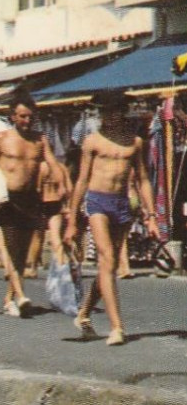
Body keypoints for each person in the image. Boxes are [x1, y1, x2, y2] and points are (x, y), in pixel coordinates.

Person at [66, 91, 159, 345]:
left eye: (114, 110)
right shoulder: (92, 142)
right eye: (104, 111)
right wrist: (72, 221)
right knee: (106, 258)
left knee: (111, 265)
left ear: (122, 112)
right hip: (97, 202)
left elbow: (142, 179)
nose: (109, 116)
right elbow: (82, 181)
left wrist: (151, 216)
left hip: (122, 204)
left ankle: (84, 313)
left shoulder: (135, 142)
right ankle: (117, 327)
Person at [0, 91, 62, 318]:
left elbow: (53, 164)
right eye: (22, 116)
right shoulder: (1, 139)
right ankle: (22, 296)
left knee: (23, 254)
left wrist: (63, 184)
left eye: (30, 117)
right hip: (8, 200)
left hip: (30, 198)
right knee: (11, 247)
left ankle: (9, 299)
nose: (27, 121)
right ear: (13, 117)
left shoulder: (40, 140)